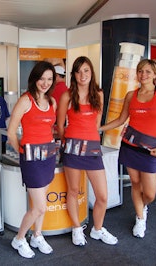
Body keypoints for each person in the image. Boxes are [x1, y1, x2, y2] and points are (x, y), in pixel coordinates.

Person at [100, 59, 156, 238]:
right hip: (130, 146)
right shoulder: (130, 95)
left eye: (148, 72)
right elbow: (120, 120)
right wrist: (98, 128)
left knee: (150, 193)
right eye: (141, 71)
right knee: (135, 184)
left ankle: (144, 206)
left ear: (155, 75)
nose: (143, 75)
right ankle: (140, 218)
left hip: (151, 150)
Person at [56, 56, 118, 247]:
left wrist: (90, 136)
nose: (82, 75)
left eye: (86, 71)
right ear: (73, 74)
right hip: (72, 149)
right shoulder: (67, 95)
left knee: (102, 196)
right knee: (73, 191)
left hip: (92, 149)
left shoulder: (98, 94)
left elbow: (96, 123)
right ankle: (77, 228)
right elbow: (59, 126)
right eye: (78, 71)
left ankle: (97, 229)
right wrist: (68, 143)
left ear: (91, 73)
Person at [7, 61, 57, 259]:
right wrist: (20, 150)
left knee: (41, 201)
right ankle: (19, 238)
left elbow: (49, 129)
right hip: (31, 159)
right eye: (42, 78)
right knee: (40, 207)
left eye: (49, 79)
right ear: (34, 79)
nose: (45, 83)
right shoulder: (25, 101)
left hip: (48, 157)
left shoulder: (51, 102)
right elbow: (11, 132)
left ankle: (37, 235)